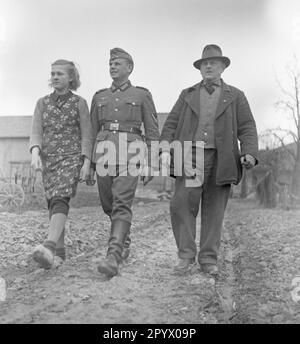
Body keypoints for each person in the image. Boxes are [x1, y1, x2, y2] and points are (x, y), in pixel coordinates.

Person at [160, 44, 258, 276]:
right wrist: (165, 149)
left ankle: (208, 259)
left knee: (214, 210)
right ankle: (185, 256)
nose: (209, 66)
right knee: (181, 205)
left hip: (222, 158)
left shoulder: (235, 96)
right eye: (205, 63)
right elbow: (171, 123)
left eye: (214, 62)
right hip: (190, 157)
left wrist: (249, 152)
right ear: (200, 68)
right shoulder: (188, 94)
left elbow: (247, 127)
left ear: (223, 67)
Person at [90, 47, 159, 278]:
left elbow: (152, 132)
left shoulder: (142, 95)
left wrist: (151, 162)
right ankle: (124, 239)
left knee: (121, 203)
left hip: (132, 152)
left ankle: (113, 255)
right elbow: (91, 132)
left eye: (117, 63)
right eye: (110, 63)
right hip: (103, 153)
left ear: (129, 68)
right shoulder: (99, 96)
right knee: (108, 204)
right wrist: (89, 164)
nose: (112, 66)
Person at [30, 59, 94, 269]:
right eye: (53, 74)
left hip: (71, 157)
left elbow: (87, 135)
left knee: (60, 198)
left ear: (71, 78)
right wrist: (35, 153)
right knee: (53, 203)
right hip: (49, 160)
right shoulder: (42, 103)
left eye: (60, 74)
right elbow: (37, 131)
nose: (55, 77)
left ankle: (48, 246)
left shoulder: (79, 103)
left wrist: (86, 161)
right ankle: (58, 254)